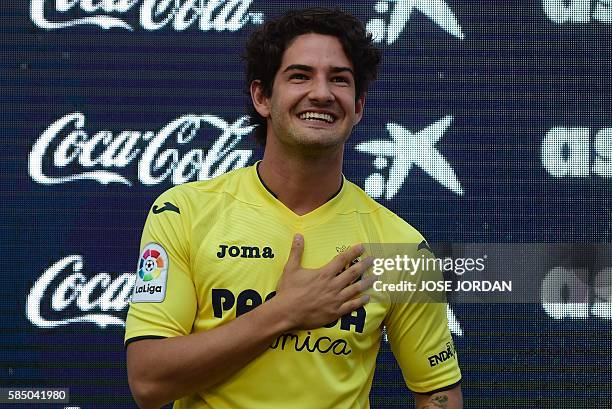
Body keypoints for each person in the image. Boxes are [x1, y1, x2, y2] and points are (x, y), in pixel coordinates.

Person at [125, 7, 462, 409]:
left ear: (357, 107)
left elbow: (438, 393)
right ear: (262, 97)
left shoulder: (402, 248)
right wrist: (285, 312)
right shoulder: (183, 212)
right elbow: (148, 383)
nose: (321, 93)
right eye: (300, 75)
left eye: (339, 79)